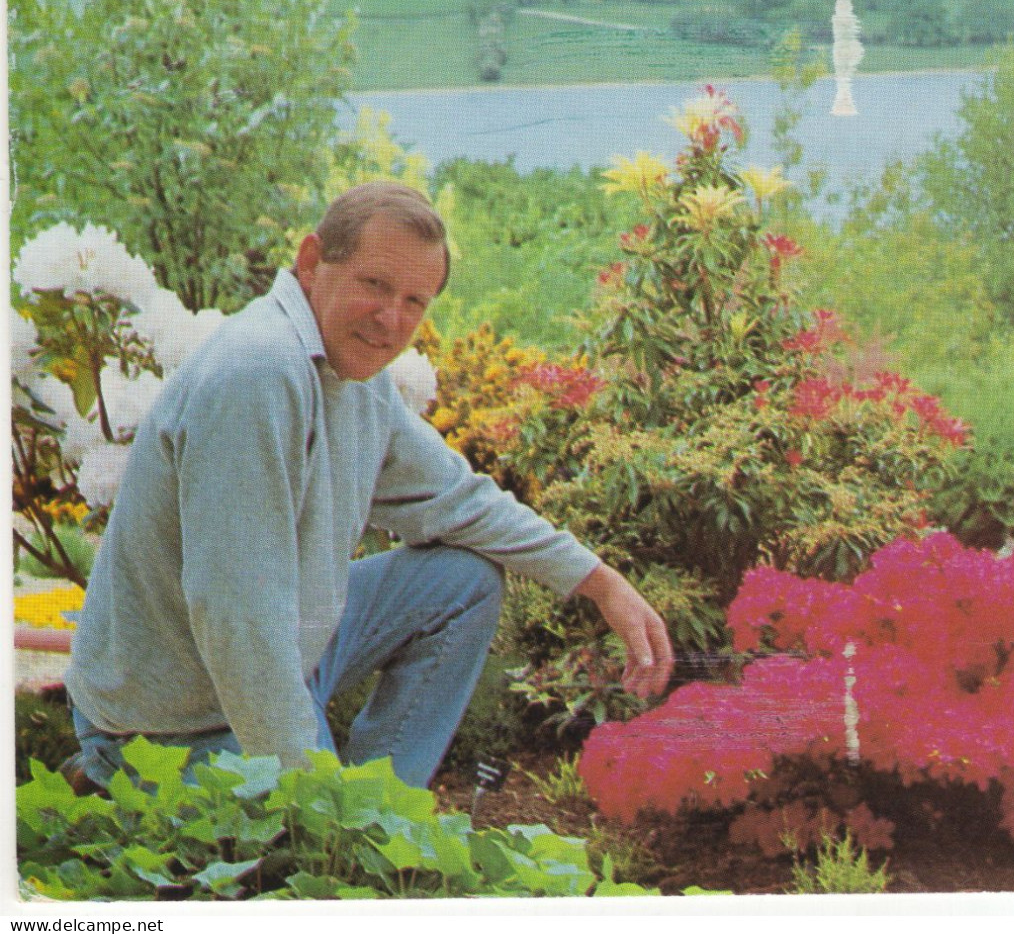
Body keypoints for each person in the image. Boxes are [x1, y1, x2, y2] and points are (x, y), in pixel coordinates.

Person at [63, 181, 673, 791]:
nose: (391, 321)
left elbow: (456, 499)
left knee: (460, 584)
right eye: (374, 285)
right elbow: (236, 621)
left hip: (280, 653)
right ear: (311, 262)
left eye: (415, 301)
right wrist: (312, 798)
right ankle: (332, 827)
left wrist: (601, 584)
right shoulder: (255, 374)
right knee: (309, 865)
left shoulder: (352, 370)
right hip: (173, 721)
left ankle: (384, 802)